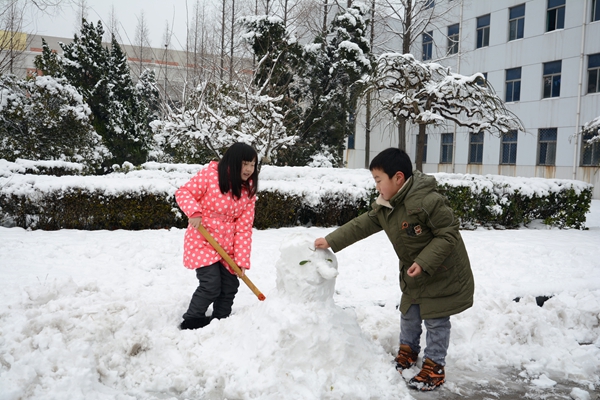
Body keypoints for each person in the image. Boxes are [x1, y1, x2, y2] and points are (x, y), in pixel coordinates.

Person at [314, 148, 474, 391]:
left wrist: (424, 261)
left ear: (398, 178)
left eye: (379, 180)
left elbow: (448, 233)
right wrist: (331, 240)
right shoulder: (387, 205)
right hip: (414, 273)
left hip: (441, 271)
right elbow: (362, 224)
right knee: (409, 312)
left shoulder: (426, 201)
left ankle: (435, 367)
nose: (377, 187)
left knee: (435, 320)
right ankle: (408, 352)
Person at [175, 142, 259, 330]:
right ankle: (192, 319)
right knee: (211, 284)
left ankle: (221, 320)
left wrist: (241, 260)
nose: (248, 169)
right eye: (245, 163)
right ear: (233, 161)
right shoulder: (210, 176)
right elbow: (184, 193)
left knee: (230, 285)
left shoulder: (248, 192)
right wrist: (194, 212)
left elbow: (244, 228)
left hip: (226, 246)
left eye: (252, 164)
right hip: (202, 240)